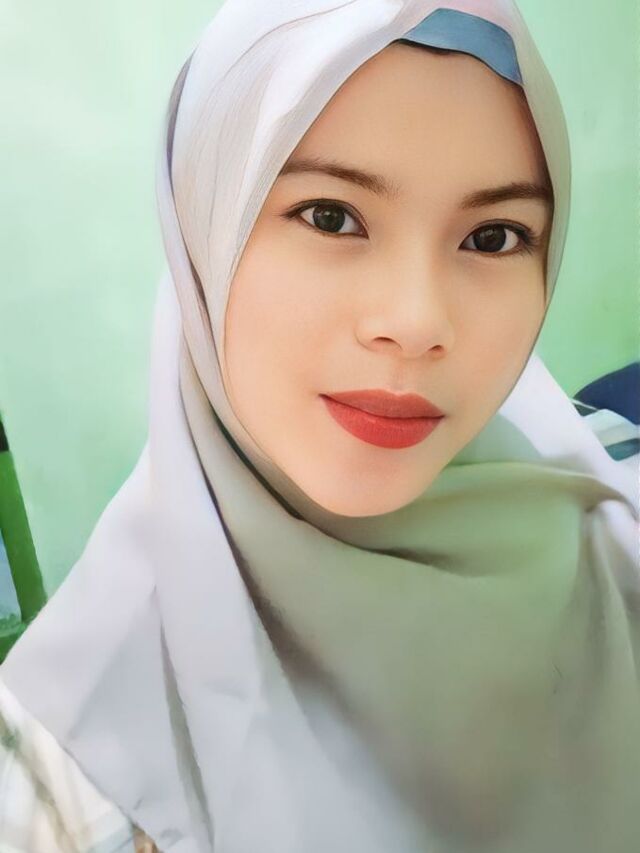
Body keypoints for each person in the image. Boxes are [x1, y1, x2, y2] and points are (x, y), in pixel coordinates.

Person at [1, 1, 638, 851]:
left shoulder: (612, 529)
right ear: (205, 233)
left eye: (493, 236)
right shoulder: (68, 769)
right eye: (331, 216)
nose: (415, 322)